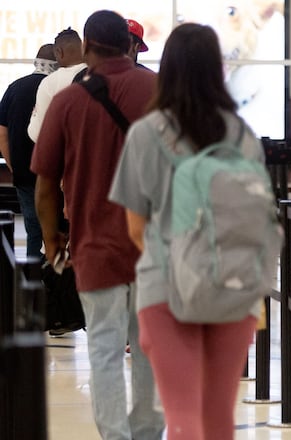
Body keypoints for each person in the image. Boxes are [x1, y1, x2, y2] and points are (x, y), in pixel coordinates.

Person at [108, 22, 262, 440]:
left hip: (164, 289)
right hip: (232, 288)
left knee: (183, 418)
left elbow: (136, 227)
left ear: (168, 68)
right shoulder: (242, 135)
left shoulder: (144, 135)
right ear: (216, 68)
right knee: (217, 419)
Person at [31, 10, 164, 439]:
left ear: (86, 47)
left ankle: (115, 435)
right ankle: (147, 431)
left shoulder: (69, 99)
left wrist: (53, 241)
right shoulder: (158, 91)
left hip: (94, 244)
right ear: (129, 46)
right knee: (150, 347)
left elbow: (45, 183)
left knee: (104, 347)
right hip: (153, 243)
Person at [0, 44, 57, 258]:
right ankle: (57, 282)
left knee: (33, 231)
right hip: (53, 175)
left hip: (24, 173)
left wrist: (12, 164)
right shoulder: (56, 87)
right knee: (56, 231)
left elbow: (1, 133)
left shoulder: (14, 87)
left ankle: (33, 283)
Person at [27, 28, 87, 142]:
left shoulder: (50, 83)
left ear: (59, 52)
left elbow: (38, 134)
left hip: (65, 155)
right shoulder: (99, 75)